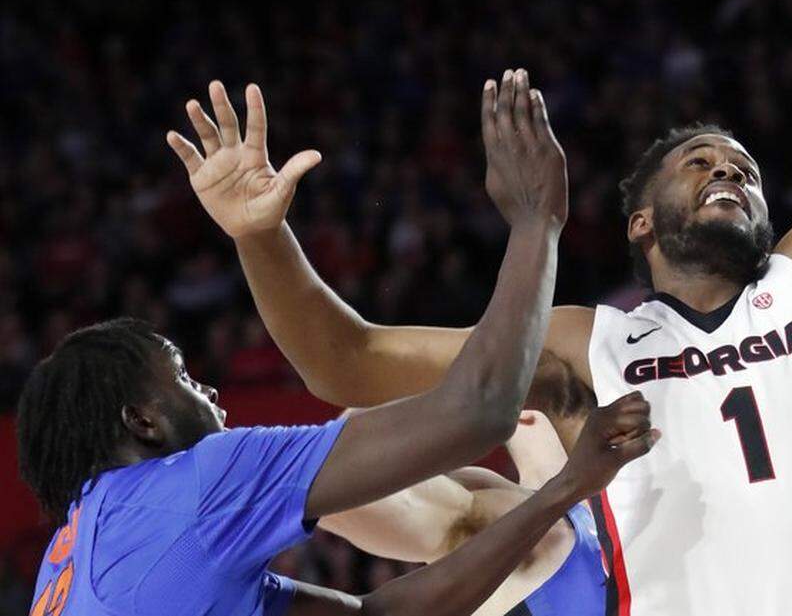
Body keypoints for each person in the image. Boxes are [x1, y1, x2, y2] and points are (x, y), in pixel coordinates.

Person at [187, 0, 792, 611]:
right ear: (642, 222)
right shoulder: (588, 347)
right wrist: (261, 236)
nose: (728, 171)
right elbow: (347, 360)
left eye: (744, 169)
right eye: (701, 162)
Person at [19, 76, 659, 615]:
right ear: (142, 421)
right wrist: (535, 221)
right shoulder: (191, 488)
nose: (208, 389)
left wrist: (559, 492)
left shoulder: (62, 566)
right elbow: (478, 408)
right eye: (183, 376)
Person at [320, 360, 608, 616]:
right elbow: (329, 483)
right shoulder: (513, 520)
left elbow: (326, 477)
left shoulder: (524, 521)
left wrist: (452, 392)